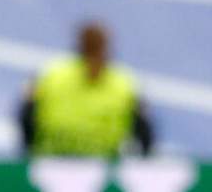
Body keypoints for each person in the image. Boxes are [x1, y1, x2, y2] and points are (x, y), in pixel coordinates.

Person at [19, 22, 154, 158]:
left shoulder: (124, 84)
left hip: (101, 164)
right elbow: (27, 115)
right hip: (54, 160)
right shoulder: (52, 75)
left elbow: (143, 129)